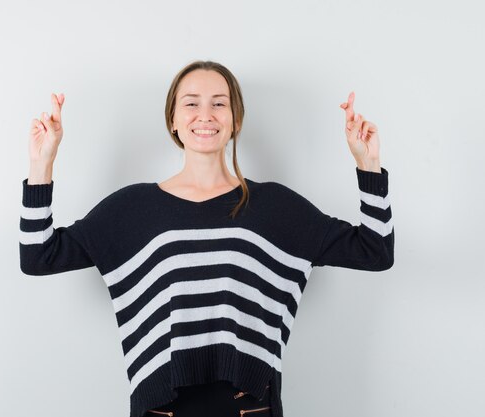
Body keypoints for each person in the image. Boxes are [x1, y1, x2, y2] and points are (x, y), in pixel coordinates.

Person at [19, 60, 394, 417]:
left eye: (219, 103)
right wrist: (42, 164)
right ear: (173, 120)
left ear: (235, 120)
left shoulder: (274, 207)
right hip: (161, 407)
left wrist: (367, 163)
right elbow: (39, 256)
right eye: (191, 103)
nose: (206, 115)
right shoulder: (132, 209)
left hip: (250, 408)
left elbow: (375, 250)